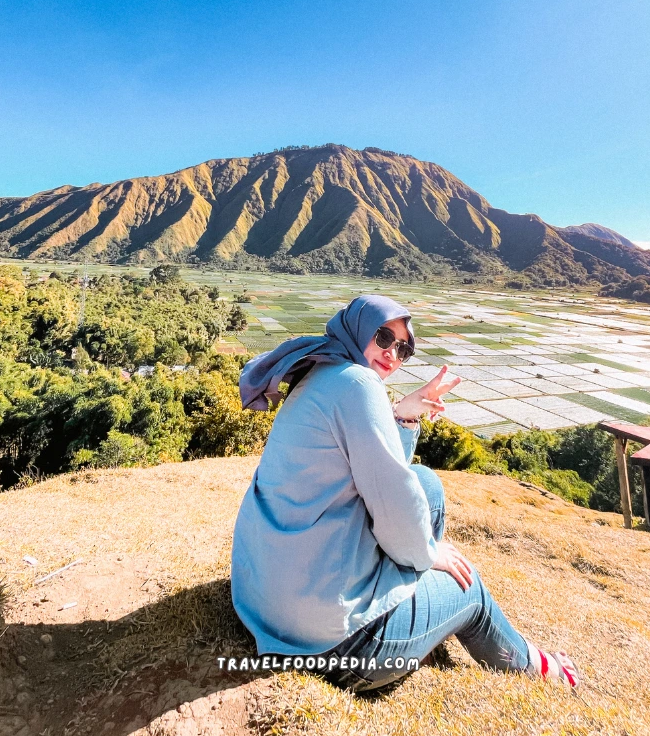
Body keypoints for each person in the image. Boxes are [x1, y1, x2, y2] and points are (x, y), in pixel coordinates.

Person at [231, 294, 579, 692]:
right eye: (383, 337)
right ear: (356, 328)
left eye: (404, 349)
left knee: (426, 482)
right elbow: (393, 504)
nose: (392, 354)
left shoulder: (322, 371)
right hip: (335, 644)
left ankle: (416, 611)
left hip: (265, 600)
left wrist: (404, 413)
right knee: (471, 591)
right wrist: (428, 553)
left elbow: (387, 471)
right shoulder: (358, 385)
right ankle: (541, 668)